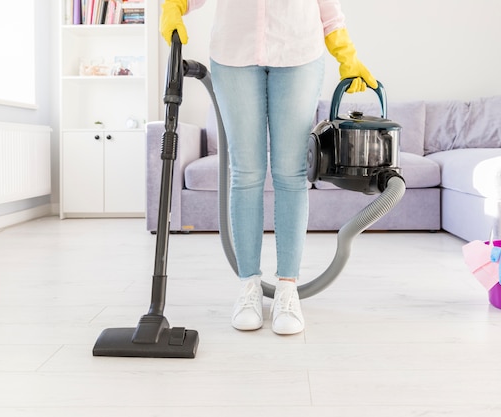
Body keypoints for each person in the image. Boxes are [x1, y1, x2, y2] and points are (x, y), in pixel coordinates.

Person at [160, 0, 377, 335]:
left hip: (299, 53)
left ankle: (287, 288)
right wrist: (174, 5)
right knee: (246, 173)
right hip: (234, 55)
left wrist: (346, 55)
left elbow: (328, 11)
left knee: (290, 174)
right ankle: (249, 286)